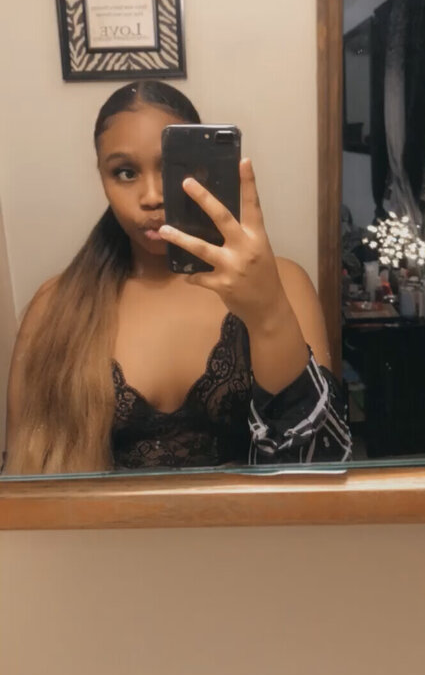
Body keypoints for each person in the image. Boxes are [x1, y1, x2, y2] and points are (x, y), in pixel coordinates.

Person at [5, 80, 352, 474]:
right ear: (101, 176)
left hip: (258, 518)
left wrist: (268, 313)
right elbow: (24, 481)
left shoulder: (282, 284)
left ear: (203, 168)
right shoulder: (55, 307)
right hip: (98, 519)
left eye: (172, 169)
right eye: (125, 172)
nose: (152, 195)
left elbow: (323, 469)